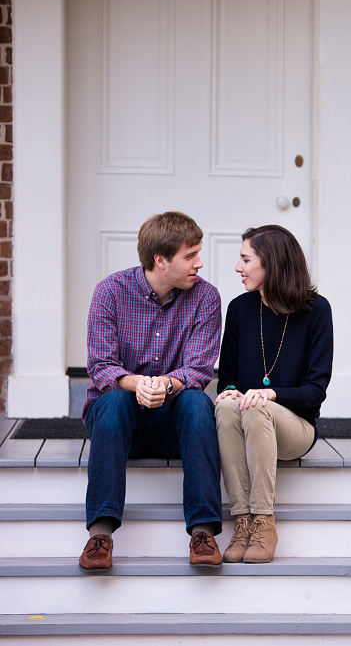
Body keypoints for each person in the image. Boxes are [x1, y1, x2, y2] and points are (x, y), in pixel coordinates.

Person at [79, 212, 223, 572]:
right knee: (112, 401)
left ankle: (203, 533)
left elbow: (200, 368)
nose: (199, 263)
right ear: (161, 260)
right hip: (120, 424)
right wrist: (138, 384)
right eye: (190, 256)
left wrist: (166, 385)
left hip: (173, 423)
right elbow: (99, 366)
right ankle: (100, 534)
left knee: (196, 401)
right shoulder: (110, 292)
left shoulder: (206, 297)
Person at [214, 225, 333, 563]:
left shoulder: (317, 311)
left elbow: (315, 392)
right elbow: (229, 382)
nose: (238, 267)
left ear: (271, 263)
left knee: (256, 406)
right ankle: (243, 522)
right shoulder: (239, 309)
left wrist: (269, 395)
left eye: (245, 259)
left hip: (296, 428)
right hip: (248, 420)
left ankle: (264, 521)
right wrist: (231, 394)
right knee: (225, 407)